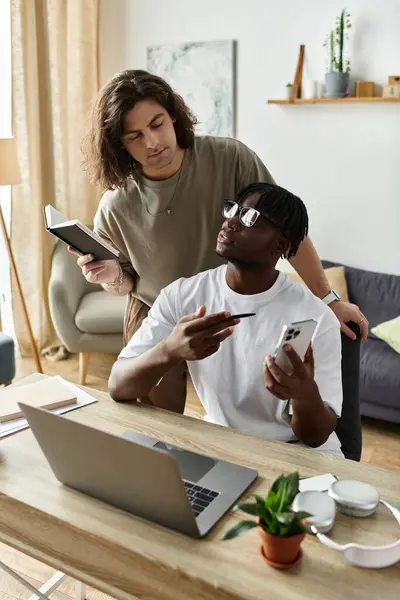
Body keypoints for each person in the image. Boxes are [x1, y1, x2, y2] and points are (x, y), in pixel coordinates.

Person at [69, 69, 367, 403]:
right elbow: (123, 284)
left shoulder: (229, 158)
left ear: (173, 115)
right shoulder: (115, 205)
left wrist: (329, 301)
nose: (152, 142)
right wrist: (112, 276)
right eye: (134, 136)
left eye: (157, 124)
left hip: (231, 304)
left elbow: (289, 232)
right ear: (118, 144)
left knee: (245, 411)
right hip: (156, 311)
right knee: (154, 428)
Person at [109, 183, 344, 456]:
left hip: (298, 453)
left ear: (280, 244)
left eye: (250, 217)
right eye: (234, 210)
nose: (231, 222)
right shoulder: (182, 295)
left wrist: (304, 394)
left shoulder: (317, 317)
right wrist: (169, 350)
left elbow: (315, 437)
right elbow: (117, 385)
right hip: (224, 445)